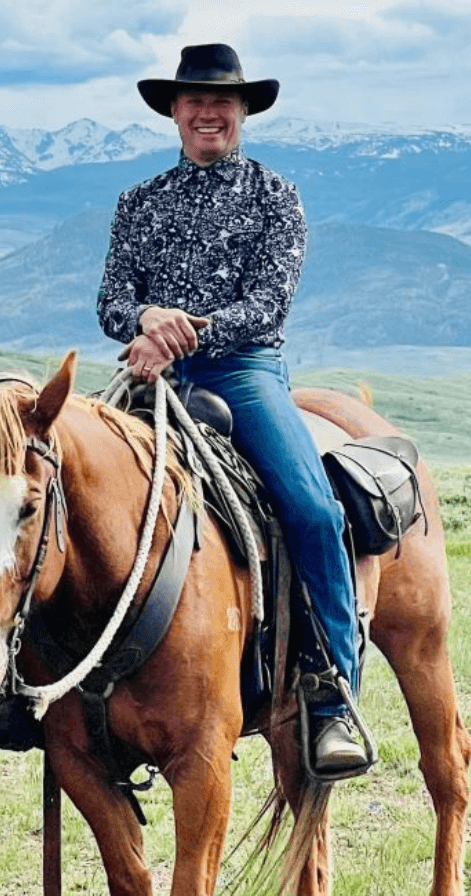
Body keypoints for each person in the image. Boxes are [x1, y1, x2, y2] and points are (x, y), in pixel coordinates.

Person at [96, 44, 369, 777]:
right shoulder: (139, 202)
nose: (207, 112)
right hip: (150, 372)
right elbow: (111, 304)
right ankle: (59, 683)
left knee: (314, 510)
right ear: (174, 113)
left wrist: (185, 330)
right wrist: (148, 319)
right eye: (194, 101)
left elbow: (267, 306)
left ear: (241, 112)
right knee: (56, 483)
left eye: (222, 102)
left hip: (242, 371)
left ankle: (333, 692)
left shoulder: (274, 196)